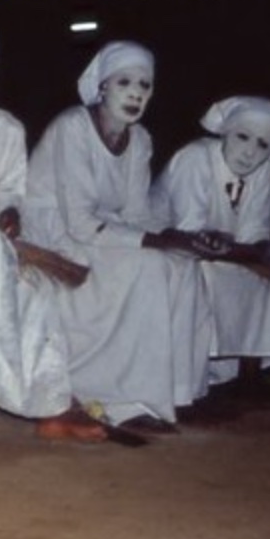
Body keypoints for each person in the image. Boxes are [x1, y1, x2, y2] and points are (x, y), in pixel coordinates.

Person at [21, 40, 216, 432]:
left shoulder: (140, 140)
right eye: (124, 82)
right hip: (57, 232)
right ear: (102, 87)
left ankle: (174, 393)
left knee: (182, 267)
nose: (135, 94)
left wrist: (177, 238)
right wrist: (155, 243)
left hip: (102, 231)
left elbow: (136, 215)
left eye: (144, 86)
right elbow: (77, 222)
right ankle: (123, 398)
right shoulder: (72, 127)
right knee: (148, 266)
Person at [0, 25, 105, 441]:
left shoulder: (8, 127)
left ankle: (50, 404)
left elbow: (13, 185)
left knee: (35, 289)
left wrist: (11, 211)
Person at [151, 95, 270, 393]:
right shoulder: (194, 157)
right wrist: (265, 254)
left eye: (263, 144)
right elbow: (191, 235)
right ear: (225, 132)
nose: (250, 152)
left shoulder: (263, 171)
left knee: (262, 280)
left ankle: (248, 381)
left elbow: (254, 233)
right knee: (204, 275)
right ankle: (189, 378)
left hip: (225, 253)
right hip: (171, 251)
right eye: (242, 137)